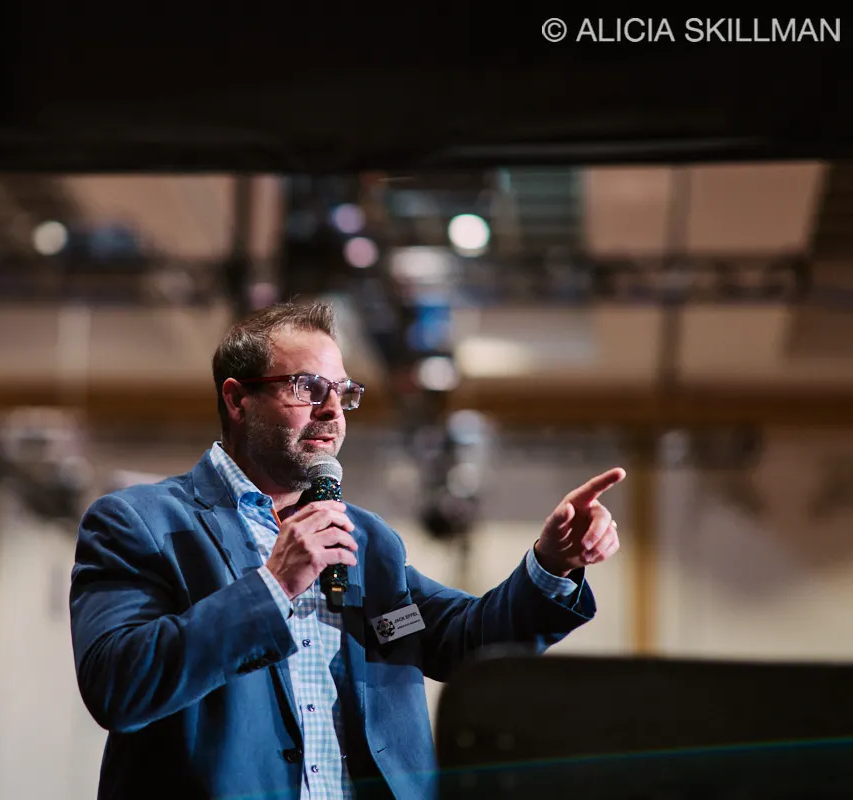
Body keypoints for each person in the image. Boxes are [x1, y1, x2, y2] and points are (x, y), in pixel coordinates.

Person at [70, 301, 623, 800]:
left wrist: (553, 562)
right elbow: (119, 685)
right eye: (308, 388)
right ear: (237, 399)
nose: (332, 410)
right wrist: (273, 587)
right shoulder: (141, 523)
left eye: (343, 391)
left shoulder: (368, 541)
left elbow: (467, 637)